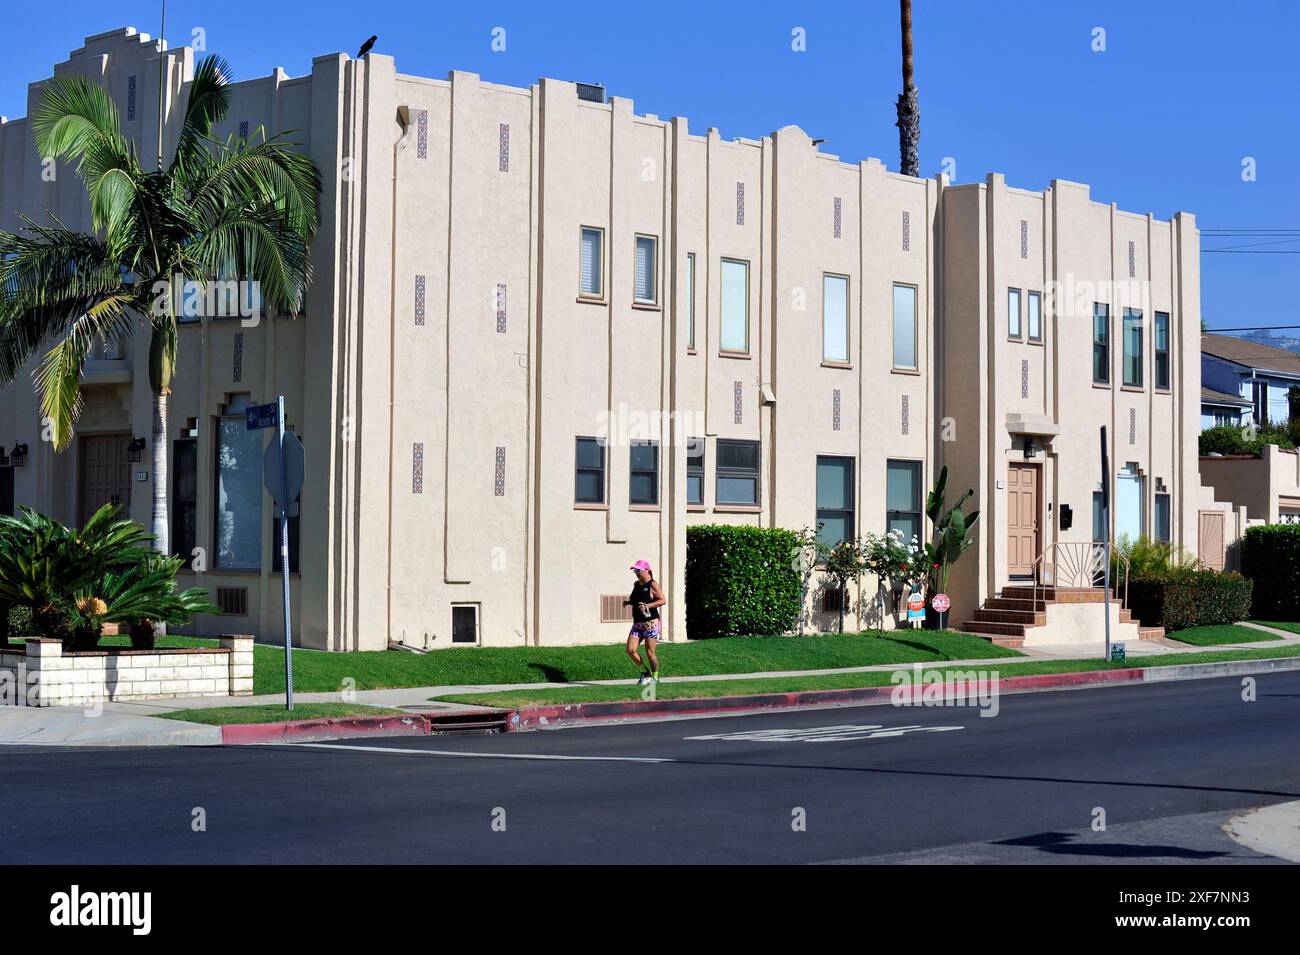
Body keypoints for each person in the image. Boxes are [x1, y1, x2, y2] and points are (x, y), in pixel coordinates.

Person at [625, 560, 666, 685]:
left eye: (639, 570)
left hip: (651, 623)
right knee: (630, 650)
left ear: (647, 570)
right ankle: (645, 672)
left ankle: (655, 677)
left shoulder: (652, 584)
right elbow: (635, 600)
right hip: (638, 624)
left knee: (650, 653)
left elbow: (662, 600)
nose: (636, 573)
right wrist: (628, 602)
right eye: (635, 571)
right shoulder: (636, 584)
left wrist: (648, 606)